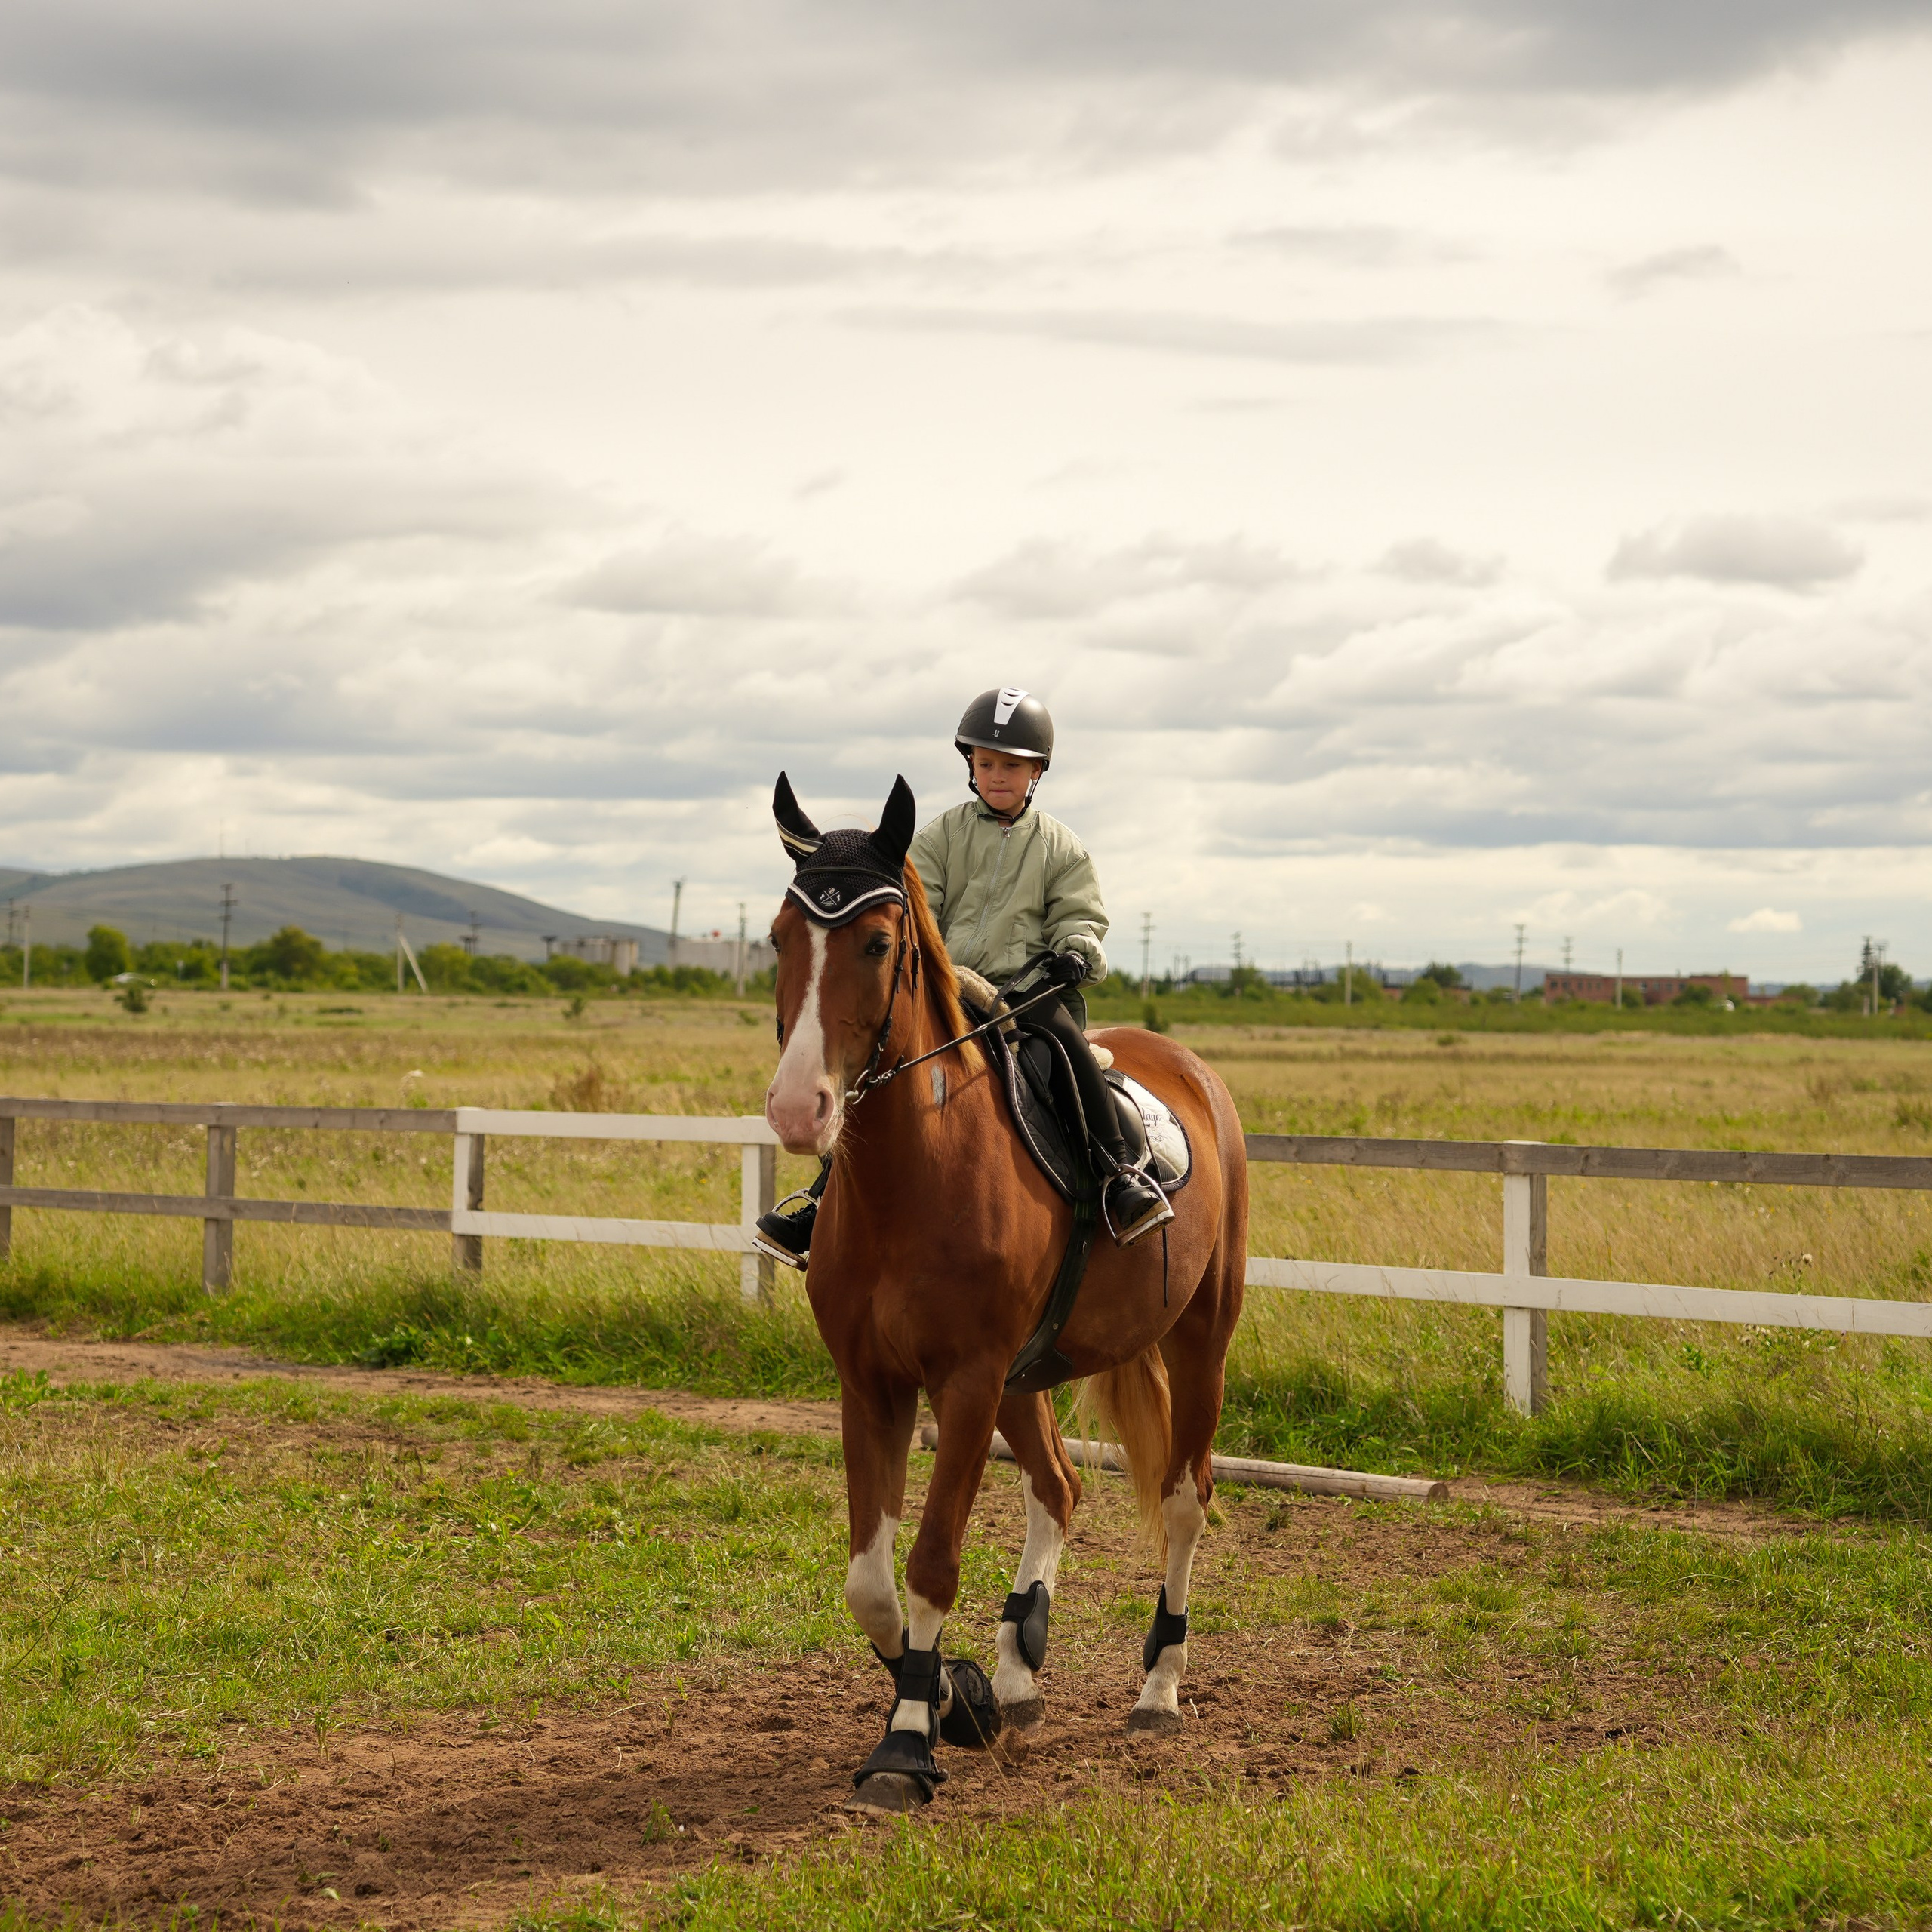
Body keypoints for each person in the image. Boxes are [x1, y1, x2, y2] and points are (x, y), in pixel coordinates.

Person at [755, 687, 1174, 1269]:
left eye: (1011, 766)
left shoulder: (1061, 849)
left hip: (1030, 993)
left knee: (1069, 1055)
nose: (997, 775)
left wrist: (1074, 950)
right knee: (880, 1081)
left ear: (1037, 772)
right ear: (971, 768)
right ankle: (822, 1201)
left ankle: (1120, 1174)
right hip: (954, 989)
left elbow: (1082, 915)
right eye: (986, 764)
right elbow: (916, 909)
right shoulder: (941, 837)